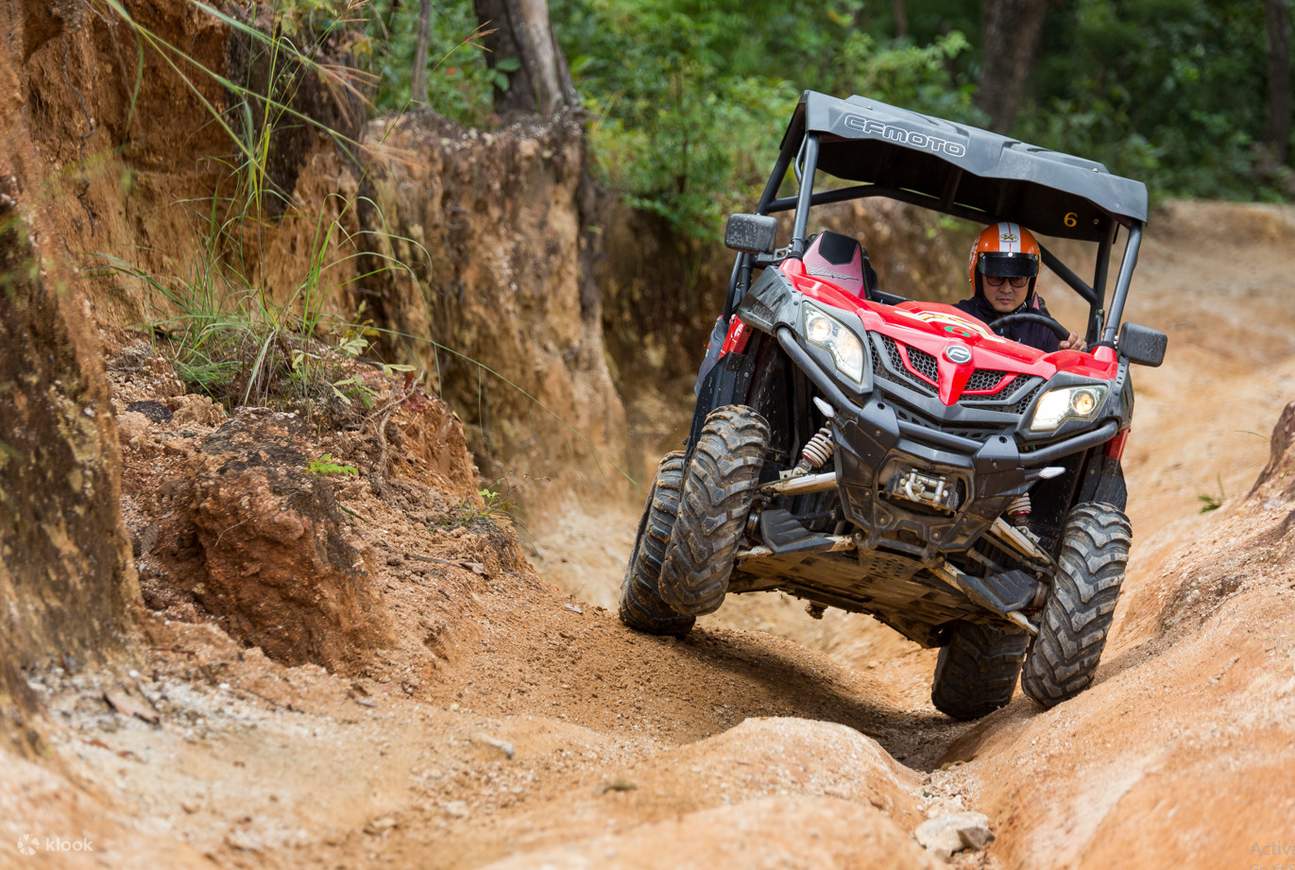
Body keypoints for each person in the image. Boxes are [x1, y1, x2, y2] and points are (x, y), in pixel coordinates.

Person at [956, 222, 1082, 352]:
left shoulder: (1045, 330)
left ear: (1031, 281)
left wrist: (1071, 353)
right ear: (978, 277)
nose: (1006, 289)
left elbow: (1069, 361)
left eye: (1017, 279)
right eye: (996, 278)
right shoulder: (958, 318)